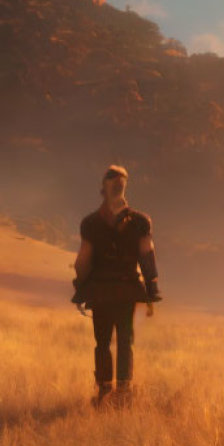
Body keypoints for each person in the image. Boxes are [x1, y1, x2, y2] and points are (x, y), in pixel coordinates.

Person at [72, 165, 160, 406]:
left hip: (102, 291)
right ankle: (120, 393)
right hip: (125, 289)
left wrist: (81, 289)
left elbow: (82, 262)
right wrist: (152, 289)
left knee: (104, 342)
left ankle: (105, 393)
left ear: (104, 188)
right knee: (123, 340)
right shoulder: (140, 222)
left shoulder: (91, 223)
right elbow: (147, 256)